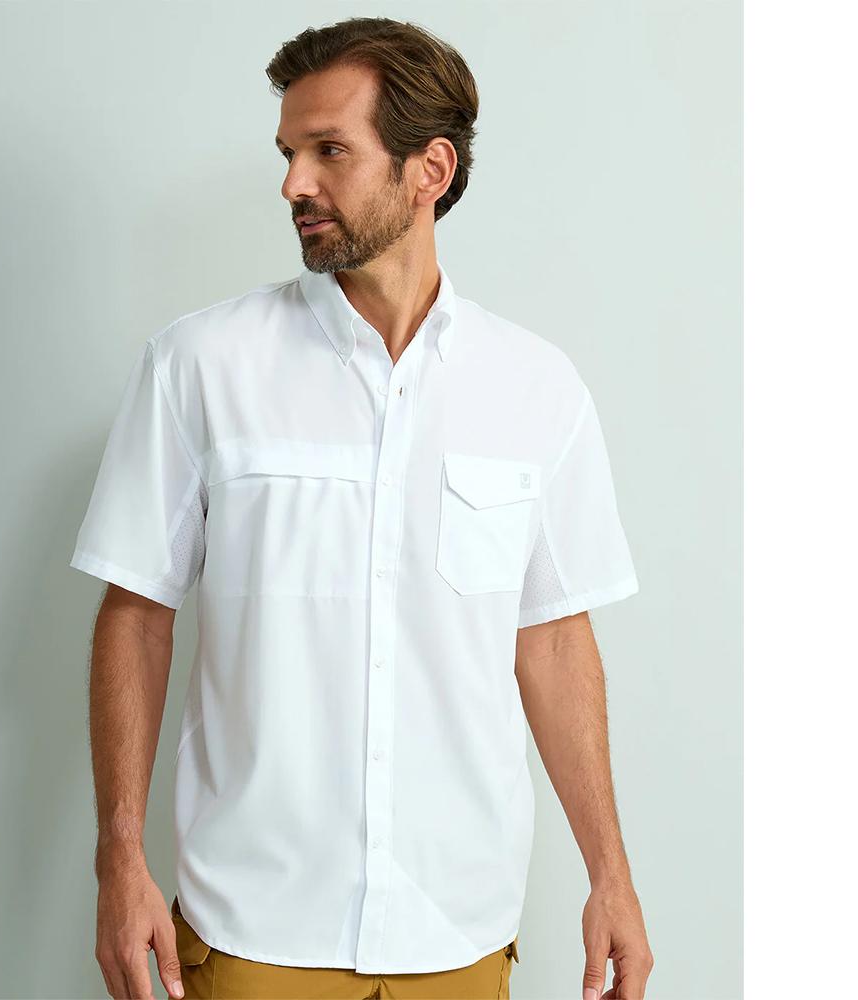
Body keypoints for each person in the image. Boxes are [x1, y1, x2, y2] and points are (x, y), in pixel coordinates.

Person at [70, 15, 653, 1000]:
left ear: (430, 170)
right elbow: (136, 614)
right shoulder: (200, 366)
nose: (294, 183)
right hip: (254, 930)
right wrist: (119, 854)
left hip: (458, 932)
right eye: (288, 153)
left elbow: (553, 639)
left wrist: (611, 873)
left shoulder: (537, 389)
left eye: (329, 151)